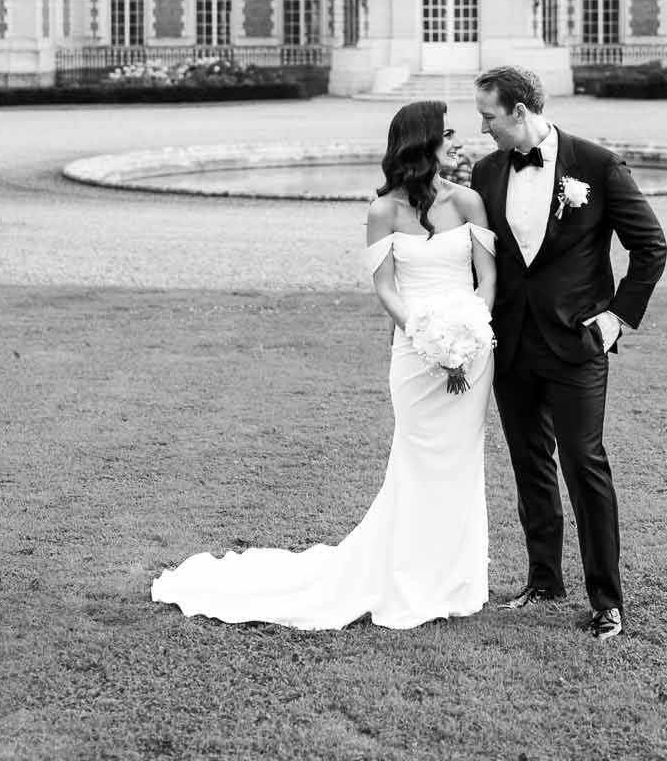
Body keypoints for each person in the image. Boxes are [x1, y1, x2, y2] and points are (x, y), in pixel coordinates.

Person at [151, 101, 496, 630]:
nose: (457, 142)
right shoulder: (382, 212)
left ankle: (455, 579)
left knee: (461, 462)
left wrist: (472, 331)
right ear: (421, 144)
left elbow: (487, 277)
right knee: (416, 458)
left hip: (473, 349)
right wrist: (425, 337)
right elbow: (384, 287)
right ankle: (404, 575)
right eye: (446, 134)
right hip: (415, 351)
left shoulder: (469, 201)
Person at [471, 66, 667, 642]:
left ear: (520, 112)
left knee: (585, 465)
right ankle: (543, 579)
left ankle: (607, 601)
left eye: (489, 117)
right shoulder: (486, 172)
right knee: (531, 464)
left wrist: (615, 318)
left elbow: (649, 247)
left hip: (578, 343)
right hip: (512, 344)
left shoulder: (597, 165)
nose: (482, 128)